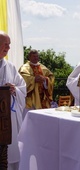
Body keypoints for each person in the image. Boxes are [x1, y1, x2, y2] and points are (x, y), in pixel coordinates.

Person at [0, 31, 26, 170]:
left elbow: (22, 87)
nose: (8, 48)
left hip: (6, 119)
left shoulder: (10, 67)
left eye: (9, 45)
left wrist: (14, 89)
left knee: (8, 155)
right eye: (5, 44)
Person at [19, 49, 55, 118]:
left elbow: (51, 77)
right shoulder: (24, 68)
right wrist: (34, 79)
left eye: (37, 56)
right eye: (34, 56)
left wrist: (45, 80)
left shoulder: (43, 67)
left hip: (43, 98)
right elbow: (22, 79)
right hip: (31, 99)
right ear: (29, 57)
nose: (36, 58)